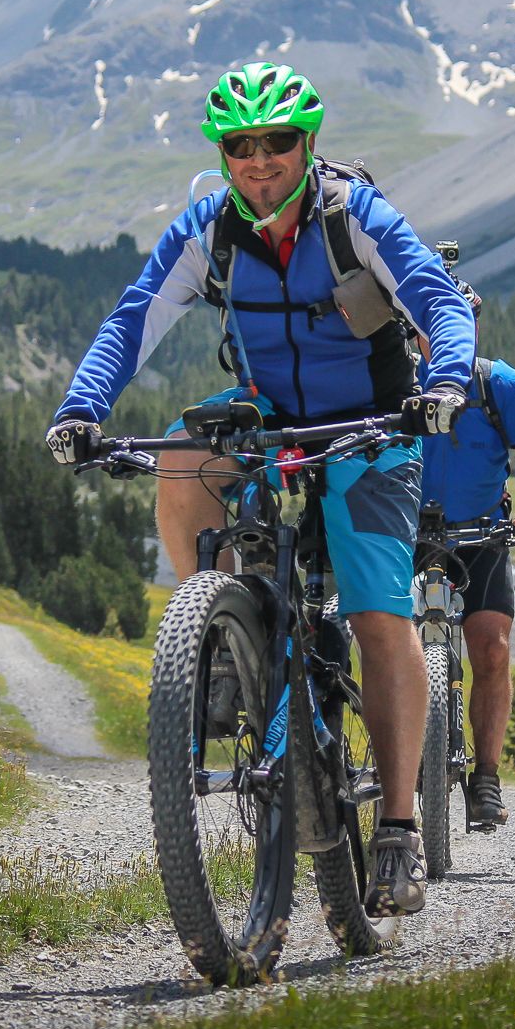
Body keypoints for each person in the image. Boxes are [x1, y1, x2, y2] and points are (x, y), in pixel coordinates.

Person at [46, 61, 477, 917]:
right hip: (268, 416)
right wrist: (81, 408)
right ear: (224, 154)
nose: (258, 160)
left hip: (373, 425)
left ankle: (395, 830)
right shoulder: (209, 229)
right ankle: (214, 633)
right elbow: (135, 317)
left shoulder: (356, 218)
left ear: (307, 143)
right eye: (239, 145)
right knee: (179, 457)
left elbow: (434, 299)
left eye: (277, 141)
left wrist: (447, 381)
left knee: (378, 613)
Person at [416, 276, 515, 829]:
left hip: (482, 535)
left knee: (493, 648)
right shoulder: (394, 385)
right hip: (408, 536)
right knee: (380, 639)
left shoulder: (496, 384)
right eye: (432, 324)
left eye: (461, 322)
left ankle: (485, 776)